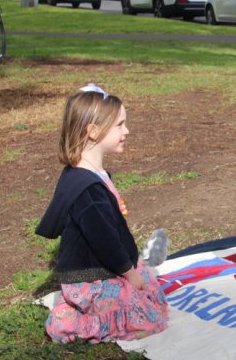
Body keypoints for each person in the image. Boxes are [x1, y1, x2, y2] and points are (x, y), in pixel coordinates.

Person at [36, 84, 169, 343]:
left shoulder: (91, 175)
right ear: (94, 132)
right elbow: (104, 239)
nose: (126, 131)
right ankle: (71, 322)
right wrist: (128, 273)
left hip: (103, 269)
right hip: (88, 280)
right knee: (149, 318)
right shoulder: (87, 189)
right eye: (120, 125)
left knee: (149, 289)